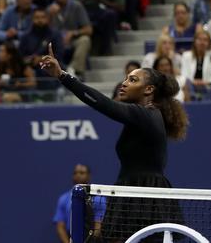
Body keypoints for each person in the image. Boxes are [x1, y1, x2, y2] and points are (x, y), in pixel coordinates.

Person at [40, 43, 187, 242]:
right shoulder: (146, 115)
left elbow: (101, 103)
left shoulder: (145, 115)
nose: (124, 83)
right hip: (133, 191)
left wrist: (62, 75)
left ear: (148, 89)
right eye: (125, 78)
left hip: (143, 196)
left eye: (133, 80)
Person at [48, 0, 93, 78]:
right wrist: (51, 16)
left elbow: (88, 29)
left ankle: (74, 70)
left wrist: (73, 33)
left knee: (85, 40)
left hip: (72, 41)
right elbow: (44, 32)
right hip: (55, 42)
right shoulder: (49, 9)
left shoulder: (76, 6)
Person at [53, 164, 106, 243]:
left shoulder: (98, 198)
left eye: (82, 173)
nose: (78, 175)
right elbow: (60, 226)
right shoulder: (63, 199)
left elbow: (98, 226)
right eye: (75, 173)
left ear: (88, 176)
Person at [19, 8, 64, 77]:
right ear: (32, 19)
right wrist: (31, 59)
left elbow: (59, 55)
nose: (40, 20)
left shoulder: (55, 35)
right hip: (30, 68)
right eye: (37, 17)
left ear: (48, 19)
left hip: (50, 67)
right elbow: (20, 57)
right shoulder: (25, 36)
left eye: (43, 17)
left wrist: (41, 58)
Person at [181, 31, 211, 96]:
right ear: (195, 41)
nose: (202, 42)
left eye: (205, 40)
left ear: (209, 43)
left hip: (208, 87)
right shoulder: (186, 55)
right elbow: (184, 74)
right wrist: (193, 82)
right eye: (199, 39)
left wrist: (206, 82)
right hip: (191, 86)